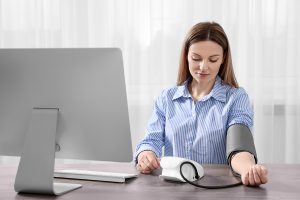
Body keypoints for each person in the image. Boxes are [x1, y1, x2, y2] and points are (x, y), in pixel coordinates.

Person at [134, 21, 268, 186]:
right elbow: (150, 141)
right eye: (196, 58)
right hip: (173, 189)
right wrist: (145, 155)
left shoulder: (236, 97)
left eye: (213, 60)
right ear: (186, 55)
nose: (203, 67)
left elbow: (239, 148)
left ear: (223, 59)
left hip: (216, 188)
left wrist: (248, 169)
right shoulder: (166, 98)